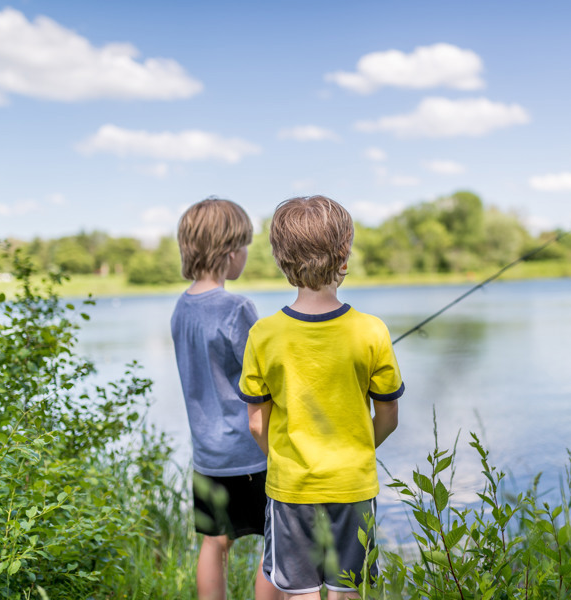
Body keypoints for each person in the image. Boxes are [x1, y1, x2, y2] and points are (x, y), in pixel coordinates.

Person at [238, 195, 404, 599]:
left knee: (300, 592)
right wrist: (358, 448)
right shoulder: (371, 331)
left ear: (281, 261)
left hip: (291, 489)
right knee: (346, 591)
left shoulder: (263, 334)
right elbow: (388, 417)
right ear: (344, 256)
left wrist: (284, 456)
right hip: (353, 486)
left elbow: (257, 422)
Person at [171, 198, 280, 600]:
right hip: (251, 453)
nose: (247, 255)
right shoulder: (237, 308)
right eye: (247, 246)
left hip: (207, 456)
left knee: (215, 542)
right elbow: (266, 375)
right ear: (230, 252)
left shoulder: (181, 308)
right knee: (278, 545)